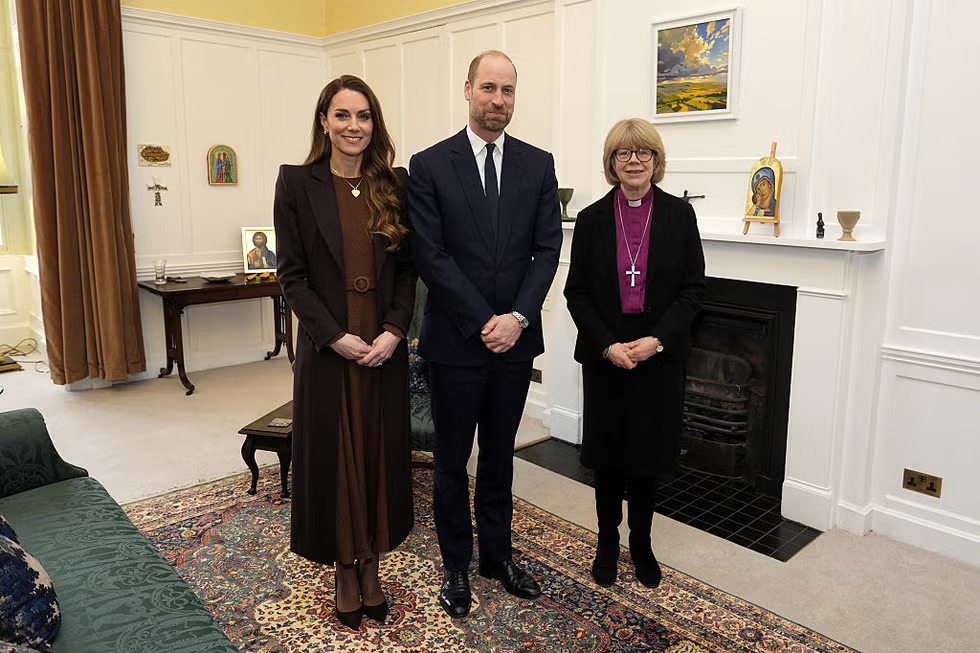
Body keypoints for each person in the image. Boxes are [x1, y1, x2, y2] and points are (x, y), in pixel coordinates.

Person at [408, 50, 562, 619]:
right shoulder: (428, 165)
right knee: (452, 460)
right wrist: (483, 321)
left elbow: (547, 250)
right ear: (468, 89)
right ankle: (455, 565)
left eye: (509, 91)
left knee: (500, 456)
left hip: (516, 341)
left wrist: (517, 318)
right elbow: (431, 255)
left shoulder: (538, 164)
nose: (499, 100)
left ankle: (497, 556)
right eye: (489, 88)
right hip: (455, 342)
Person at [273, 75, 416, 630]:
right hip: (329, 345)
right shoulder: (296, 183)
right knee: (337, 457)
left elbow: (407, 270)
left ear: (374, 124)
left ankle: (373, 561)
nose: (353, 126)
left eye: (363, 116)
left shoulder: (393, 184)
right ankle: (343, 567)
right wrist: (334, 336)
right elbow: (293, 276)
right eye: (342, 116)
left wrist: (394, 331)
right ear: (324, 122)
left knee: (378, 453)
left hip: (382, 344)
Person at [564, 118, 705, 589]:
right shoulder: (589, 220)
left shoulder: (680, 217)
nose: (634, 161)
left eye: (643, 153)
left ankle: (641, 544)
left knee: (647, 458)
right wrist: (608, 344)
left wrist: (657, 340)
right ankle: (607, 541)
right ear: (611, 162)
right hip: (608, 352)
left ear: (657, 161)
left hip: (657, 353)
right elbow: (577, 292)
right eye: (623, 153)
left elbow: (692, 291)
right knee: (608, 457)